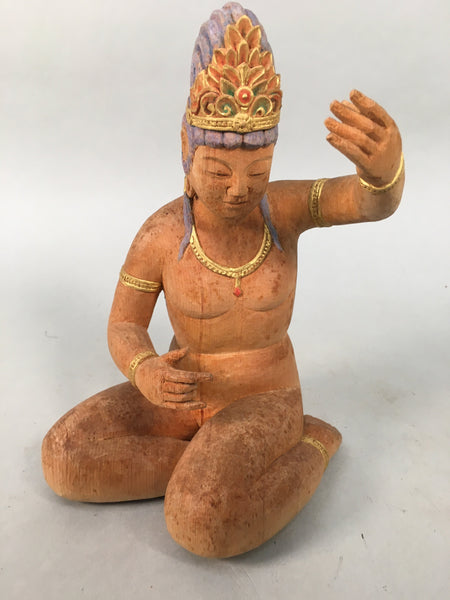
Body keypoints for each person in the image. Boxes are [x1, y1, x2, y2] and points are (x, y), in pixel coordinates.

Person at [42, 3, 404, 558]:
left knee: (200, 525)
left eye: (258, 172)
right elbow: (123, 325)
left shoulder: (282, 208)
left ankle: (310, 442)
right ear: (186, 151)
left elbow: (365, 203)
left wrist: (384, 175)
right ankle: (205, 475)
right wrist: (144, 371)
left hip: (263, 396)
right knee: (64, 456)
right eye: (218, 171)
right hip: (180, 387)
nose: (239, 189)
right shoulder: (162, 233)